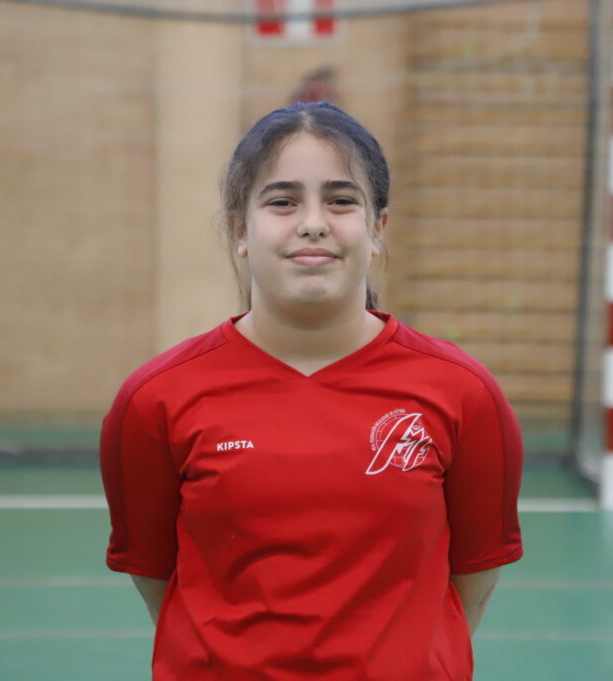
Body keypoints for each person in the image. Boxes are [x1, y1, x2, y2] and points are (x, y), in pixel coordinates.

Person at [100, 101, 523, 681]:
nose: (314, 222)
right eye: (282, 201)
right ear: (238, 231)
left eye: (341, 200)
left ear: (377, 229)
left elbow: (471, 579)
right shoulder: (154, 400)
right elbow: (157, 577)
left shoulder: (464, 394)